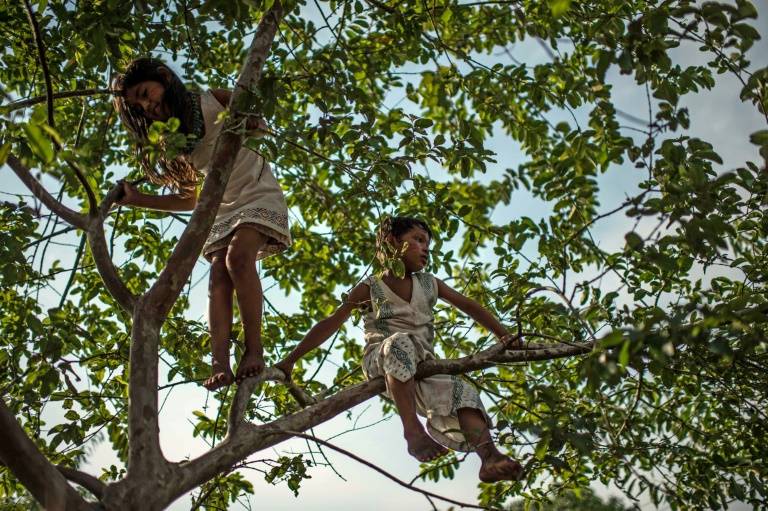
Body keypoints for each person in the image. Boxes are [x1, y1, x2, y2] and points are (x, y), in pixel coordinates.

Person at [275, 216, 523, 482]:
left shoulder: (430, 284)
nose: (425, 248)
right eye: (417, 240)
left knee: (462, 391)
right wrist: (290, 360)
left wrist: (505, 336)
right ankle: (412, 431)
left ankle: (489, 457)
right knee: (399, 342)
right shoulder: (371, 287)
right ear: (392, 242)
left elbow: (470, 305)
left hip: (423, 366)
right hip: (381, 357)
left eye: (428, 243)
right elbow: (329, 324)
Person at [112, 58, 291, 390]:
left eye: (145, 93)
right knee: (218, 279)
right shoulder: (171, 143)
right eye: (139, 105)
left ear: (164, 78)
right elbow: (189, 199)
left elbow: (260, 123)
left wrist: (249, 122)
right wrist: (138, 199)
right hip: (219, 207)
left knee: (238, 258)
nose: (147, 105)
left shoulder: (213, 100)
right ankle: (219, 363)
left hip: (256, 189)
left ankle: (255, 349)